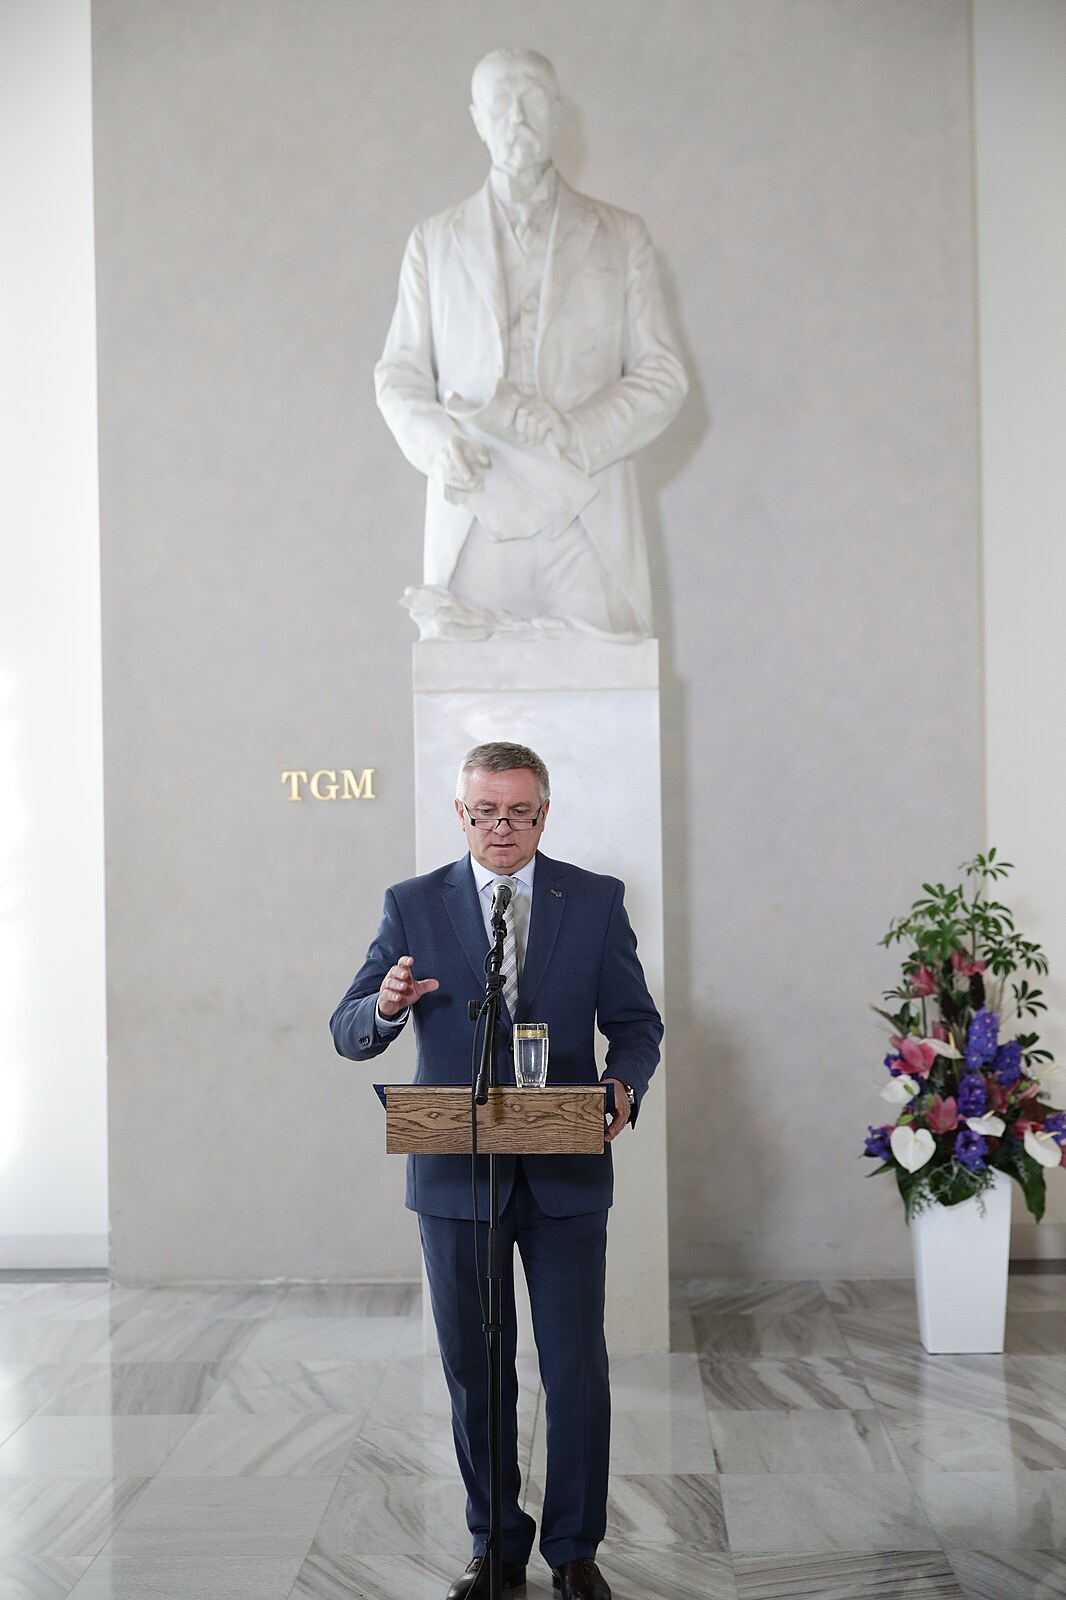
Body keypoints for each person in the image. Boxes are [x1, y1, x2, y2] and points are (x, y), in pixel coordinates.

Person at [330, 741, 663, 1600]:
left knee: (575, 1367)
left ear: (544, 815)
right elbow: (349, 1027)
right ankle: (494, 1545)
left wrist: (624, 1084)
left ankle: (576, 1551)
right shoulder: (412, 905)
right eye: (485, 812)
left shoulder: (594, 899)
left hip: (565, 1173)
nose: (502, 827)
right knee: (475, 1368)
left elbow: (636, 1023)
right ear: (461, 814)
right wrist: (385, 1006)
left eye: (519, 812)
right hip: (455, 1175)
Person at [375, 48, 687, 639]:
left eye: (533, 99)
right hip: (477, 517)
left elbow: (662, 375)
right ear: (476, 119)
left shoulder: (621, 236)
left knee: (606, 688)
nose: (516, 116)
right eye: (500, 102)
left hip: (587, 520)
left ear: (558, 114)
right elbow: (399, 374)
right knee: (471, 692)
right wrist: (438, 445)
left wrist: (576, 432)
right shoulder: (433, 243)